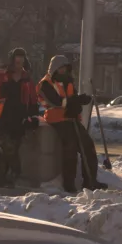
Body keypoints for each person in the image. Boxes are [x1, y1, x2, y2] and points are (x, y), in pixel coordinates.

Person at [37, 55, 107, 193]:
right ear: (54, 69)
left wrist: (79, 102)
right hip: (56, 119)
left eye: (65, 68)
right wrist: (75, 102)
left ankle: (90, 181)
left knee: (88, 145)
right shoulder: (45, 84)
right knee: (70, 147)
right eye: (61, 68)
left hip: (71, 119)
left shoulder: (68, 82)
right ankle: (69, 183)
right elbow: (56, 101)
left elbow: (72, 98)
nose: (63, 70)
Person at [0, 48, 40, 188]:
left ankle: (2, 181)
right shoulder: (1, 75)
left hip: (19, 119)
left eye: (22, 61)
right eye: (17, 61)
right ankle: (16, 173)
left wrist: (33, 116)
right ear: (12, 61)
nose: (19, 64)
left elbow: (32, 99)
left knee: (10, 150)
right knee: (8, 147)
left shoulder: (27, 78)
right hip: (1, 118)